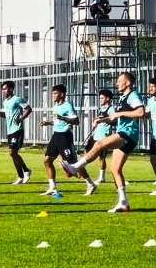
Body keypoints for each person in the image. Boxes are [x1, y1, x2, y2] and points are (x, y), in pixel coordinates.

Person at [61, 72, 145, 213]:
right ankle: (123, 202)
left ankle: (75, 167)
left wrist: (120, 114)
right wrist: (103, 120)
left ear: (128, 83)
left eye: (119, 81)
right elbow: (115, 117)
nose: (116, 83)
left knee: (99, 144)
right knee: (115, 170)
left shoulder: (133, 96)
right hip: (125, 134)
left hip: (128, 134)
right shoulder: (123, 98)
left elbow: (141, 112)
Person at [40, 84, 96, 196]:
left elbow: (76, 121)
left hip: (65, 137)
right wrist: (48, 123)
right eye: (53, 93)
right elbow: (58, 121)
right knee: (47, 160)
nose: (53, 95)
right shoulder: (56, 106)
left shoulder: (67, 105)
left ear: (62, 94)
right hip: (56, 135)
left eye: (55, 93)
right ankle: (52, 187)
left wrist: (62, 118)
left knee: (73, 163)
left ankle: (90, 184)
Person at [0, 81, 33, 185]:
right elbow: (6, 115)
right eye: (3, 89)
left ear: (11, 89)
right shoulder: (5, 102)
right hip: (10, 131)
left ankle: (23, 173)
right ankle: (24, 173)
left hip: (17, 130)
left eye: (6, 88)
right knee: (13, 154)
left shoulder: (17, 99)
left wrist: (21, 118)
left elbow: (28, 109)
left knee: (12, 153)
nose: (4, 91)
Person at [86, 90, 115, 185]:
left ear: (108, 98)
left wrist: (102, 120)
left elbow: (113, 120)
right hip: (95, 135)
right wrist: (95, 122)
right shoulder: (101, 109)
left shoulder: (111, 109)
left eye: (102, 98)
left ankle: (102, 177)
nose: (100, 100)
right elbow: (98, 119)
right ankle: (79, 170)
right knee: (87, 153)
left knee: (101, 158)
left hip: (103, 137)